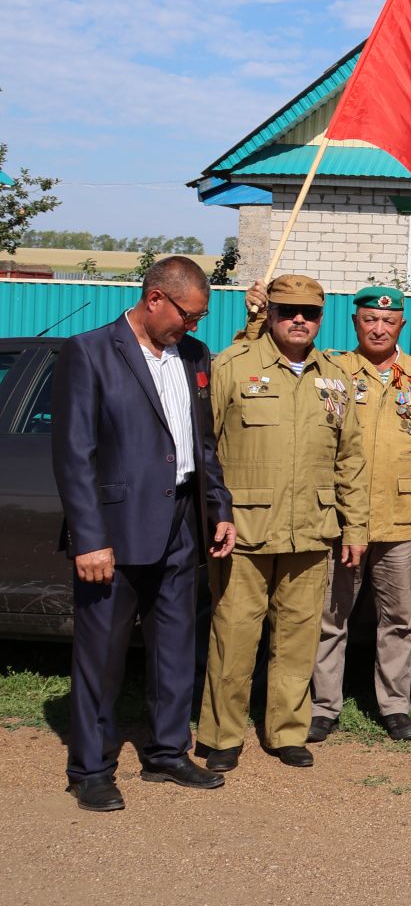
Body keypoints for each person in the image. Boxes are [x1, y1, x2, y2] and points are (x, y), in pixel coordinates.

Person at [51, 256, 236, 812]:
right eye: (189, 315)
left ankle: (166, 753)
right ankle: (91, 768)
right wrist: (88, 538)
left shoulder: (194, 356)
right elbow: (74, 455)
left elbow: (203, 445)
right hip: (114, 528)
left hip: (182, 522)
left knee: (177, 646)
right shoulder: (89, 353)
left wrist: (218, 507)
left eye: (200, 317)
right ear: (156, 299)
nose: (194, 326)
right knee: (101, 654)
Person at [198, 274, 368, 772]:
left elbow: (350, 458)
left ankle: (287, 731)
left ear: (320, 319)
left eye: (309, 312)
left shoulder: (334, 377)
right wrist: (213, 513)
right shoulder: (233, 365)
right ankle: (222, 735)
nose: (299, 319)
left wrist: (355, 528)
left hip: (311, 530)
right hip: (243, 533)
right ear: (269, 314)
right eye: (288, 310)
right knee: (233, 637)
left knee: (297, 639)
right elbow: (205, 447)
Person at [307, 286, 411, 746]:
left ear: (401, 324)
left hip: (401, 520)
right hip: (343, 520)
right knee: (331, 617)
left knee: (398, 619)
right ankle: (323, 707)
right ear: (355, 323)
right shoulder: (332, 370)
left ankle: (395, 705)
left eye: (387, 321)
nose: (378, 328)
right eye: (369, 320)